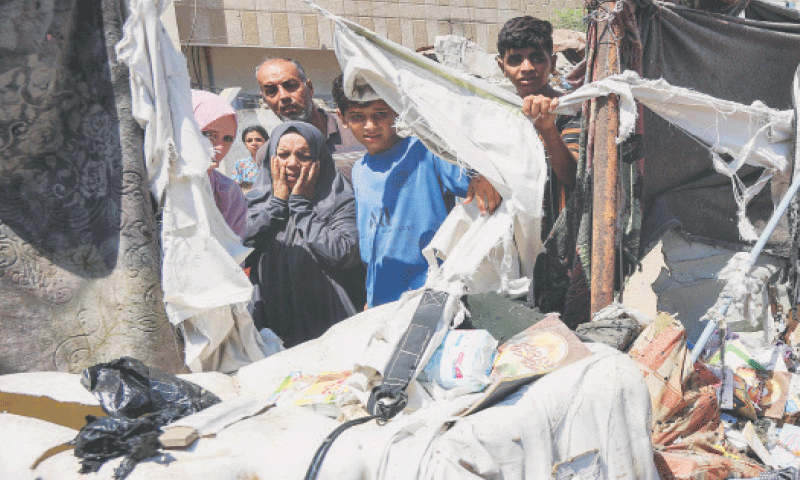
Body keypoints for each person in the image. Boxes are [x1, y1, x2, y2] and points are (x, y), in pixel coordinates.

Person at [332, 74, 502, 309]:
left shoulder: (424, 151)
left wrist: (483, 175)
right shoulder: (359, 170)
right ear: (342, 118)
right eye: (358, 117)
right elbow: (372, 242)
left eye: (380, 114)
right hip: (381, 298)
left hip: (429, 291)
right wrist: (371, 295)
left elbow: (476, 181)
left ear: (396, 109)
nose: (370, 126)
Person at [243, 122, 365, 348]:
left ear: (319, 160)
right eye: (283, 154)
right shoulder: (258, 202)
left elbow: (342, 253)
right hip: (273, 314)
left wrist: (301, 207)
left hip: (329, 316)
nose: (291, 164)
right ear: (271, 159)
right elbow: (241, 249)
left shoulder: (340, 200)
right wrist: (277, 205)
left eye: (303, 155)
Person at [496, 16, 581, 238]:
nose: (527, 67)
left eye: (536, 58)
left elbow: (573, 174)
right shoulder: (499, 115)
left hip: (562, 239)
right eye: (515, 59)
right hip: (515, 240)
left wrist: (547, 129)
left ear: (552, 63)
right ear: (501, 66)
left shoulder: (570, 109)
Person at [255, 57, 365, 180]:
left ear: (310, 88)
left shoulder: (357, 132)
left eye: (291, 85)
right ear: (265, 99)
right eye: (271, 91)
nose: (283, 96)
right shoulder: (268, 155)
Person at [191, 89, 248, 238]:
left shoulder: (228, 193)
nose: (220, 147)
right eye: (208, 134)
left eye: (228, 139)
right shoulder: (152, 185)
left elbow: (235, 255)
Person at [233, 125, 269, 193]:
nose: (254, 143)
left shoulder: (273, 162)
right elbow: (235, 188)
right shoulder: (241, 164)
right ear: (245, 144)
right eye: (249, 141)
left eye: (258, 140)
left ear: (266, 142)